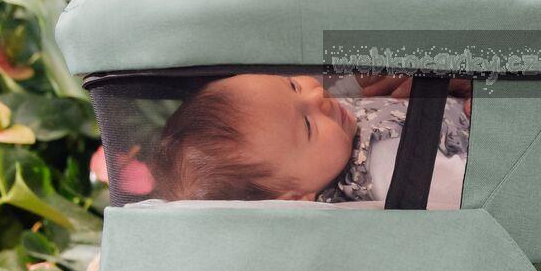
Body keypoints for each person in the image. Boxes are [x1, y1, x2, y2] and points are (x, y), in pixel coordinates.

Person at [152, 73, 470, 207]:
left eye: (291, 85)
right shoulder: (387, 170)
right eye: (307, 126)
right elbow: (471, 187)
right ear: (295, 199)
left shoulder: (335, 126)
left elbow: (354, 89)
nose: (317, 95)